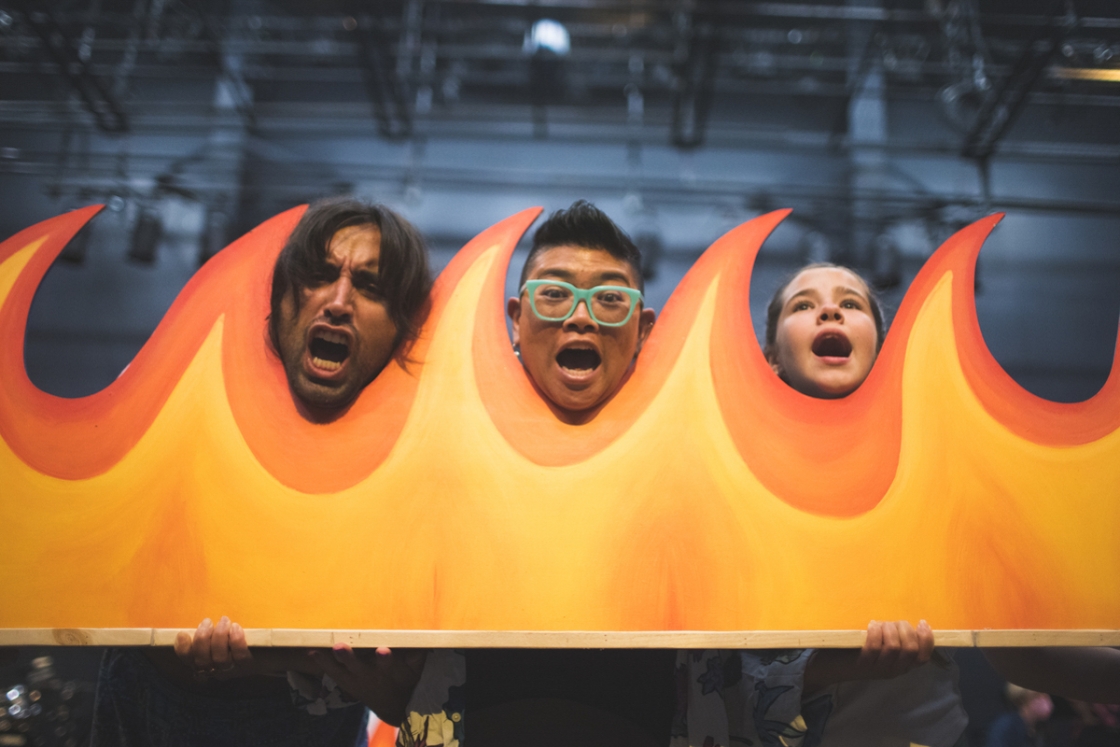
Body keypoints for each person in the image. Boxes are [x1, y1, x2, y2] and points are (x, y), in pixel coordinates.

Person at [309, 206, 932, 747]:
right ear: (515, 320)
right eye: (555, 294)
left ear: (644, 329)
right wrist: (399, 690)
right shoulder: (441, 461)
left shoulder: (703, 474)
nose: (582, 317)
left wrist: (841, 667)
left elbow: (747, 675)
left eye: (610, 298)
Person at [90, 197, 433, 747]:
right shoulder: (168, 401)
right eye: (319, 276)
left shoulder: (421, 466)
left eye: (370, 287)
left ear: (400, 328)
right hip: (155, 710)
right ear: (280, 297)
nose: (339, 303)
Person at [763, 262, 1120, 746]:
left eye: (851, 304)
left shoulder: (937, 476)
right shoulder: (739, 483)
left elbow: (1022, 653)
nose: (830, 309)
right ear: (771, 358)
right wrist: (838, 667)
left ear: (882, 354)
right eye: (803, 305)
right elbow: (707, 668)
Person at [984, 685, 1053, 747]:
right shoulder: (1005, 726)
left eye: (1046, 696)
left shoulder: (1039, 729)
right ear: (1024, 700)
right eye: (1038, 696)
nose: (1046, 701)